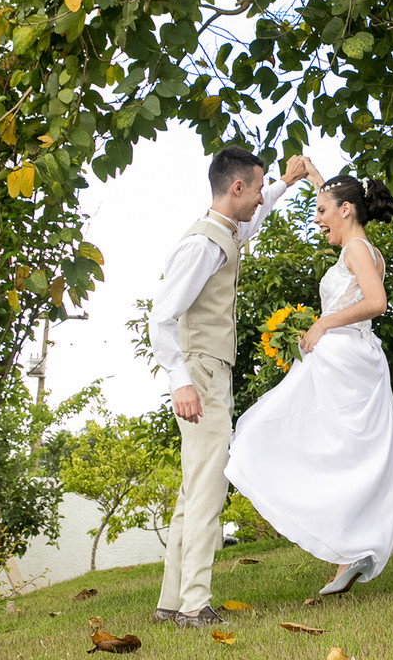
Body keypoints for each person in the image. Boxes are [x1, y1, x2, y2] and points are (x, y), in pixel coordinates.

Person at [225, 162, 393, 599]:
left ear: (346, 211)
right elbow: (339, 197)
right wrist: (313, 178)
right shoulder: (358, 240)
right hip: (359, 363)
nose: (317, 219)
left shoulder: (356, 249)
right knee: (362, 464)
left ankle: (351, 553)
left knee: (281, 437)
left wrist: (322, 324)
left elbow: (377, 301)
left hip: (344, 363)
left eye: (322, 212)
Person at [150, 147, 308, 628]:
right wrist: (181, 382)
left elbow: (254, 220)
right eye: (256, 188)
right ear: (236, 187)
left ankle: (171, 603)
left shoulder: (225, 232)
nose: (260, 198)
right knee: (208, 491)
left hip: (210, 370)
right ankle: (194, 605)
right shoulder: (202, 245)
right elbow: (161, 319)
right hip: (199, 373)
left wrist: (285, 182)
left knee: (193, 490)